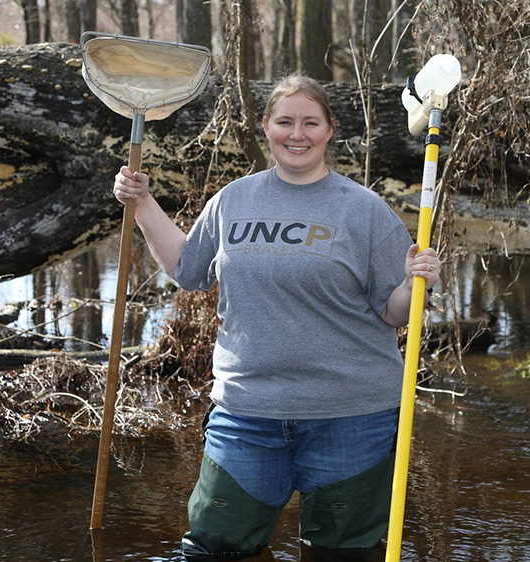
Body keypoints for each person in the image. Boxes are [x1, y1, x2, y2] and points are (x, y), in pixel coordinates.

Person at [112, 73, 441, 561]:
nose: (297, 134)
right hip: (247, 412)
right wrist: (140, 203)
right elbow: (188, 268)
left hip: (351, 416)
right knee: (215, 548)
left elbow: (394, 313)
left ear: (330, 130)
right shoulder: (234, 200)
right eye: (285, 121)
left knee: (342, 554)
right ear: (266, 126)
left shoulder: (365, 211)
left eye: (310, 122)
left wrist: (417, 281)